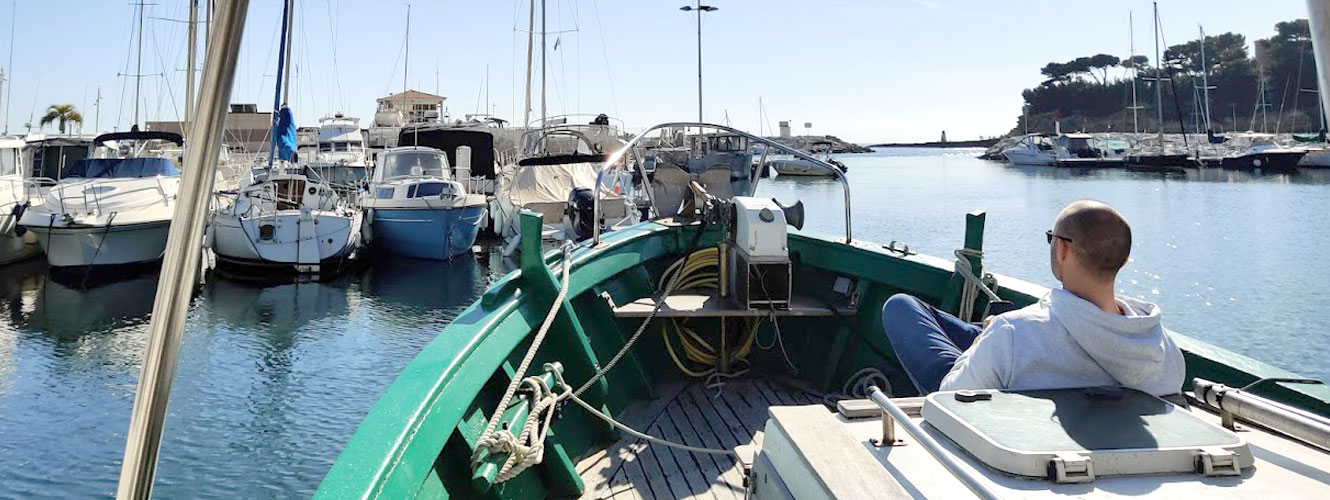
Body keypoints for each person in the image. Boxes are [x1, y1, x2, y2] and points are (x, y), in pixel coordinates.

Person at [880, 200, 1185, 397]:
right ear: (1123, 259)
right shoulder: (1163, 347)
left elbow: (950, 399)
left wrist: (990, 339)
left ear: (1063, 249)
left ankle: (979, 338)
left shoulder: (1012, 335)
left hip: (980, 389)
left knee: (900, 307)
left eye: (1052, 238)